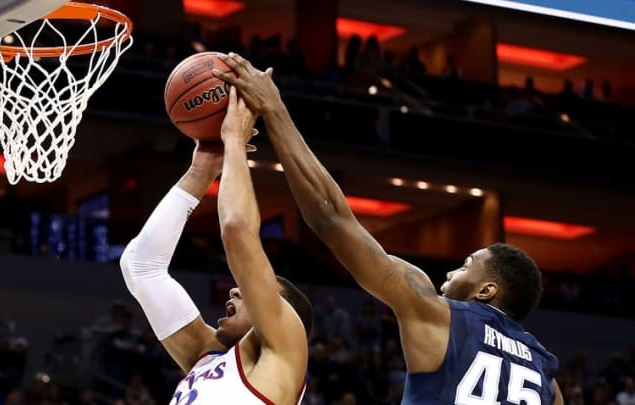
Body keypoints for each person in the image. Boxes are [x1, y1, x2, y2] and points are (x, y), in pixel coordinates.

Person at [214, 53, 564, 405]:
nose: (451, 271)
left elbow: (330, 218)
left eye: (466, 264)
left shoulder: (438, 314)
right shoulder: (548, 380)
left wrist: (274, 109)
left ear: (487, 290)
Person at [119, 85, 312, 404]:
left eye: (257, 289)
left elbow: (237, 230)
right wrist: (201, 171)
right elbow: (141, 267)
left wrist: (234, 140)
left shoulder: (283, 356)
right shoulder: (206, 359)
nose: (237, 289)